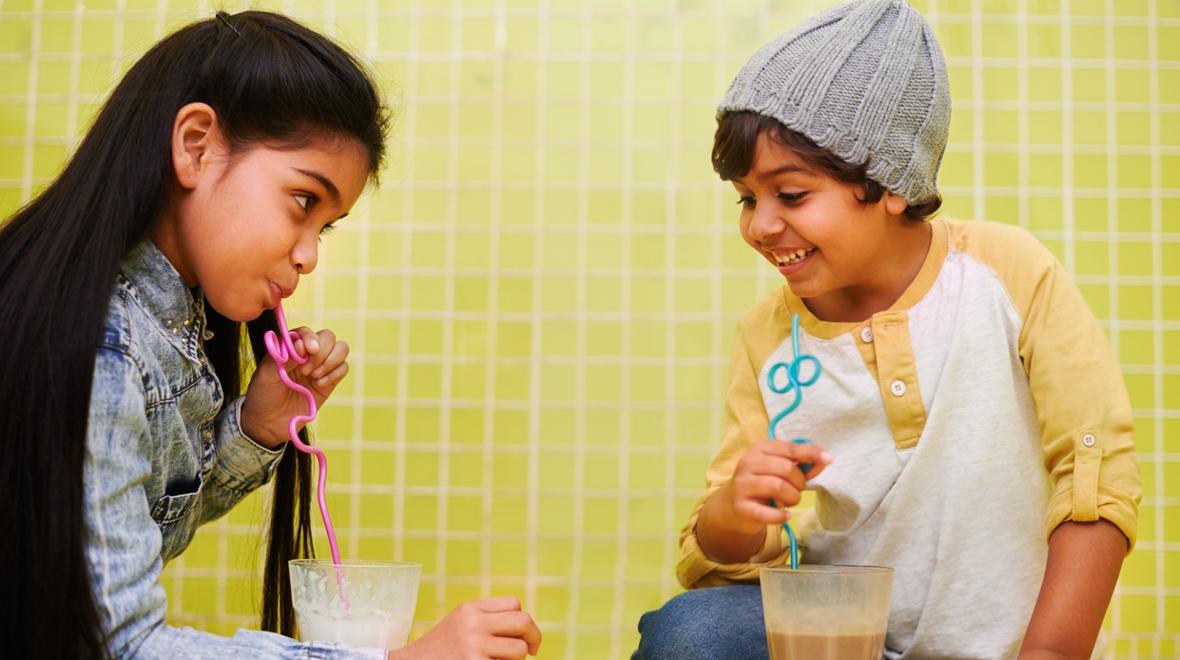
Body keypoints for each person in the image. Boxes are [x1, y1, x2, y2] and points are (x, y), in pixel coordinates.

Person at [0, 11, 541, 659]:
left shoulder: (156, 325)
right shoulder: (102, 343)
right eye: (305, 201)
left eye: (326, 227)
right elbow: (120, 646)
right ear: (196, 145)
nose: (310, 256)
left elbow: (126, 537)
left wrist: (258, 427)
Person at [633, 1, 1141, 658]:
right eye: (746, 198)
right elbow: (722, 565)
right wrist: (734, 515)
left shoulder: (1006, 274)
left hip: (1012, 649)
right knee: (688, 631)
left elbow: (1095, 472)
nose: (759, 226)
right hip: (848, 645)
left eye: (790, 196)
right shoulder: (768, 334)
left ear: (890, 181)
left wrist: (1047, 653)